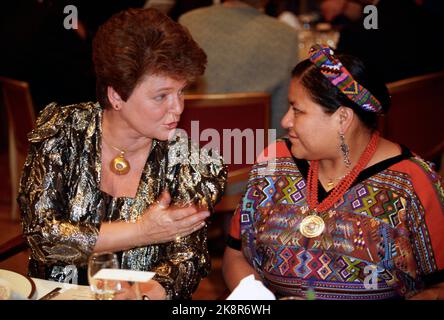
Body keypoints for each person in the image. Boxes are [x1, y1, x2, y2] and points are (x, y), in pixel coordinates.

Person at [18, 8, 227, 300]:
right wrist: (142, 231)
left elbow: (186, 263)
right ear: (116, 96)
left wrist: (140, 294)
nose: (177, 107)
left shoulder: (190, 163)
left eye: (181, 92)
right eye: (161, 96)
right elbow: (44, 238)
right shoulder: (62, 133)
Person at [222, 45, 444, 300]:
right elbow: (236, 253)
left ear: (342, 119)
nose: (285, 121)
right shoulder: (274, 163)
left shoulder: (412, 182)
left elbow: (439, 286)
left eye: (297, 110)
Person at [179, 0, 299, 137]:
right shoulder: (285, 36)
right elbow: (281, 123)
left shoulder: (189, 22)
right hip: (254, 151)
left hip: (189, 147)